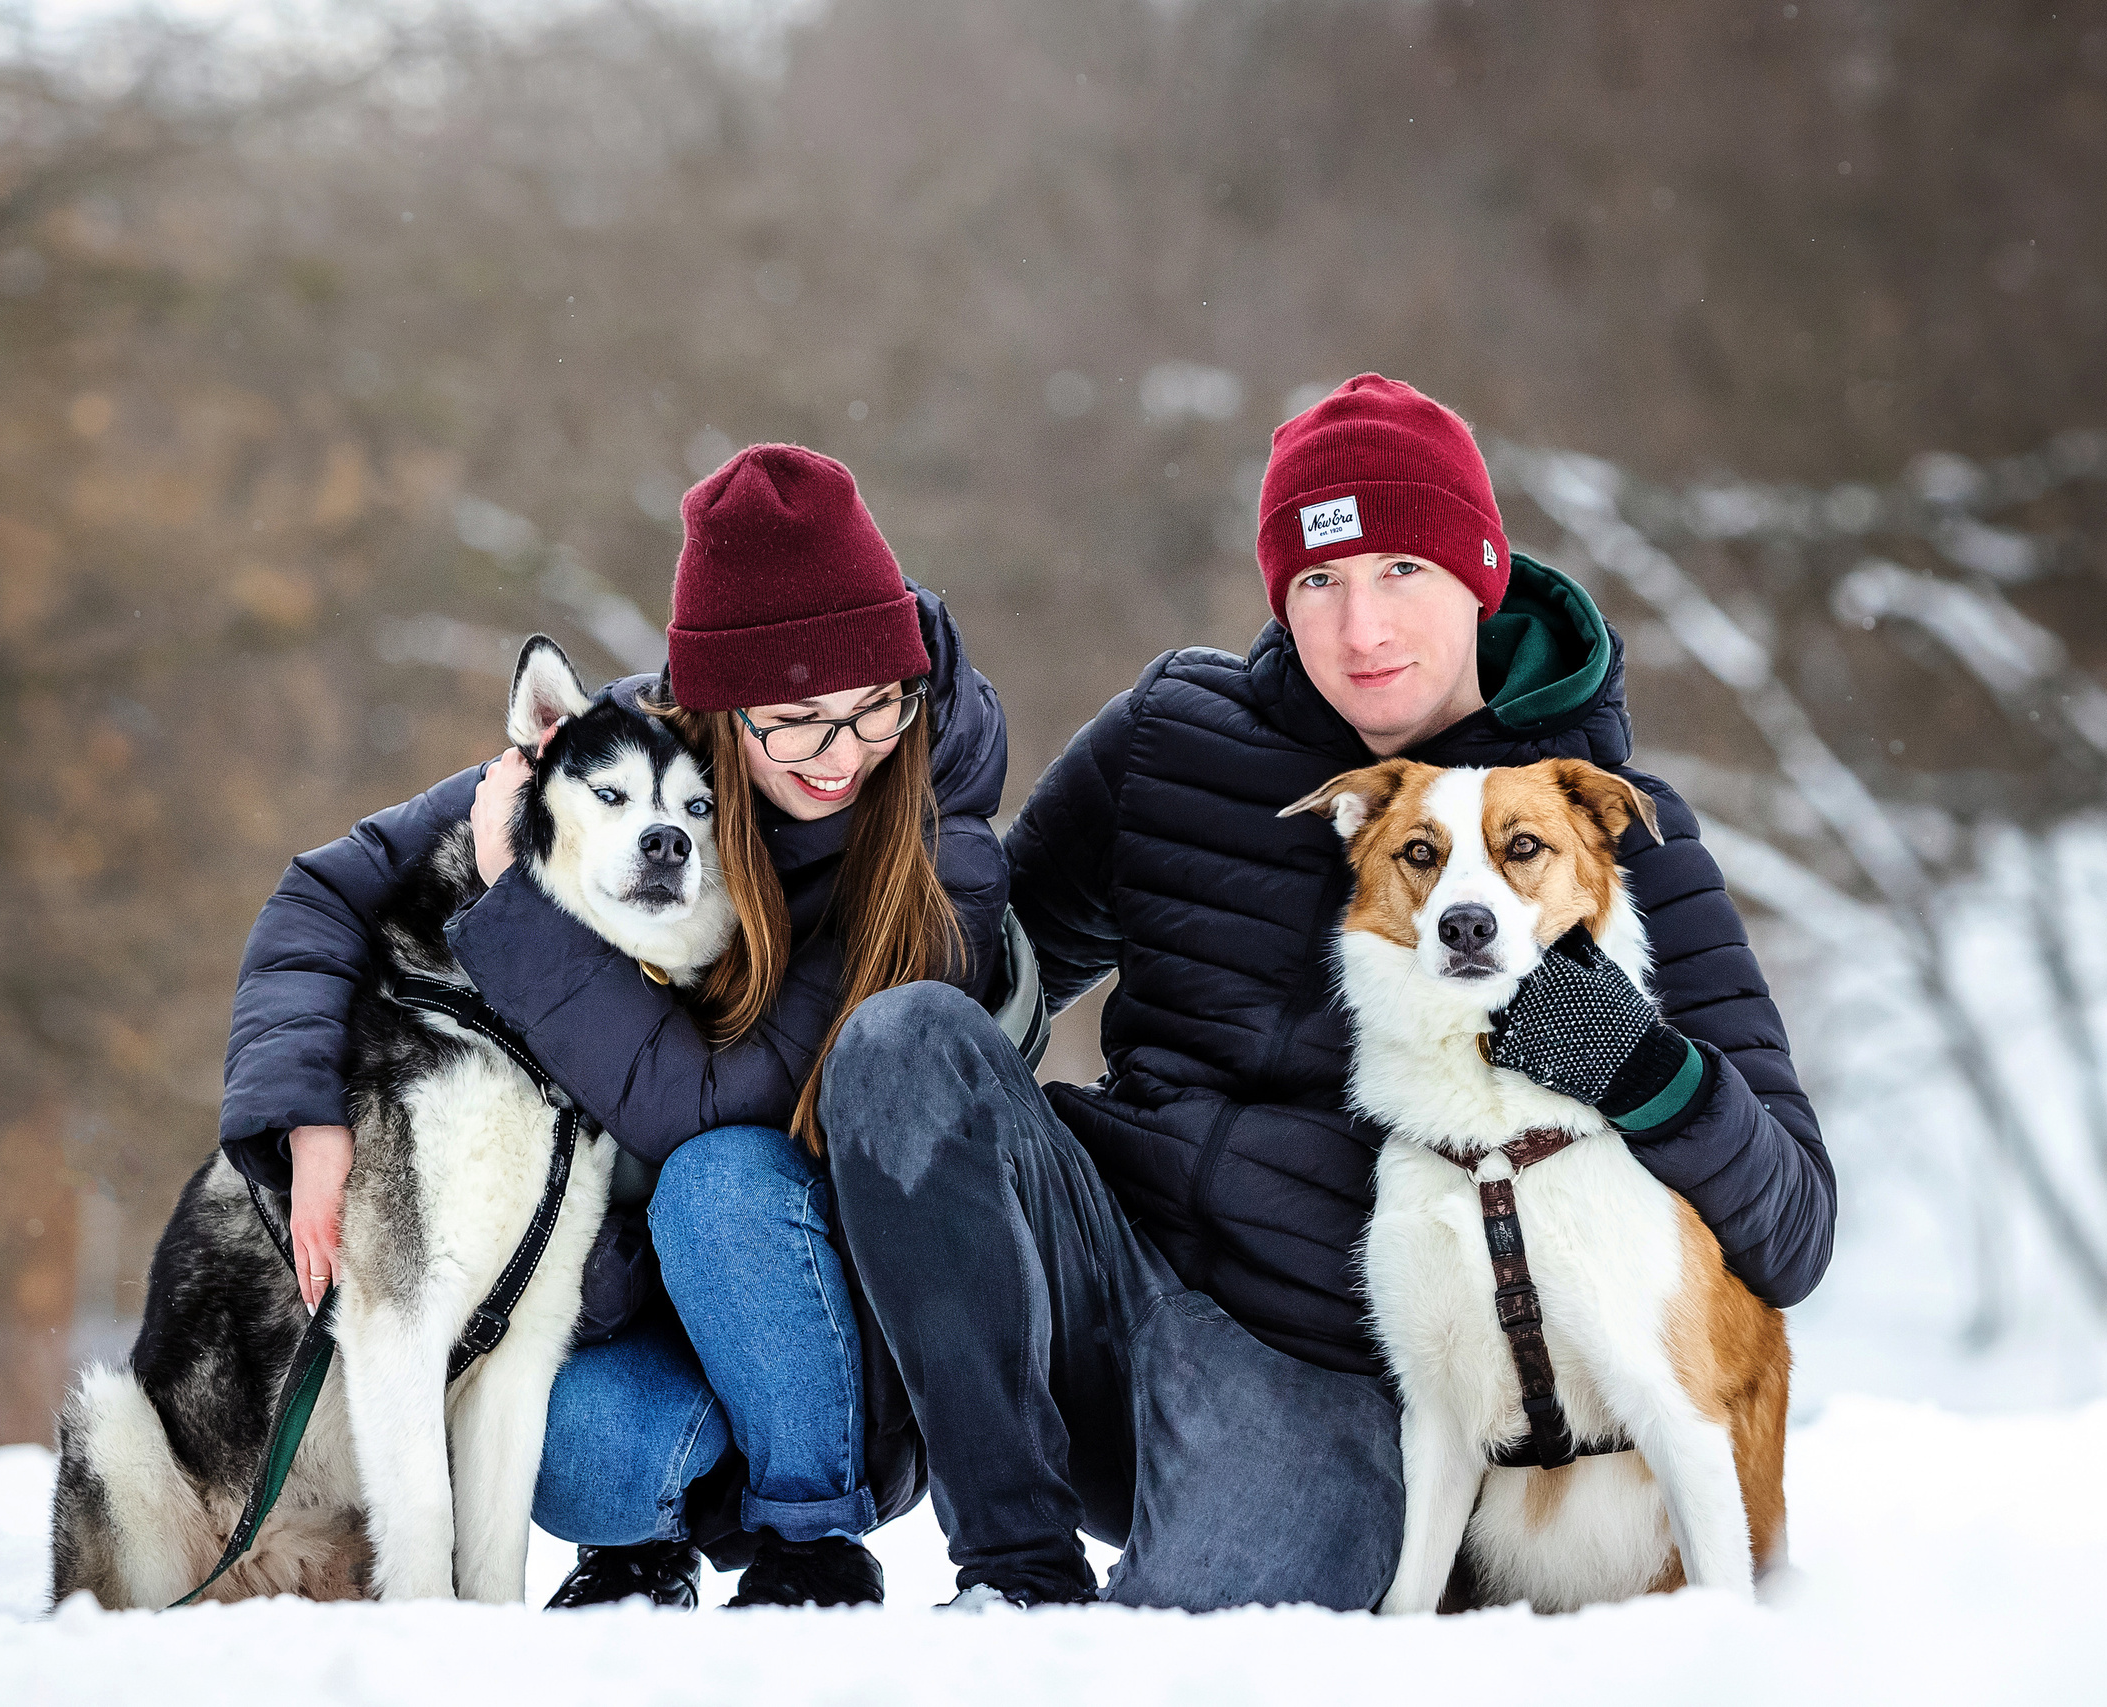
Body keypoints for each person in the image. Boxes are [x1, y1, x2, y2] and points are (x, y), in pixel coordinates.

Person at [819, 374, 1836, 1610]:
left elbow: (1792, 1227)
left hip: (1327, 1382)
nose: (1361, 631)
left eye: (1400, 570)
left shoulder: (1602, 832)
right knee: (901, 1038)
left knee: (1212, 1622)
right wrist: (905, 775)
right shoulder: (1173, 737)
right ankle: (1011, 1577)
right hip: (1104, 1269)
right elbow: (978, 982)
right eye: (1318, 582)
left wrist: (1638, 1066)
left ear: (1480, 574)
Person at [217, 444, 1013, 1608]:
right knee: (572, 1441)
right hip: (640, 1291)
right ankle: (639, 1543)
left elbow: (704, 1103)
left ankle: (810, 1536)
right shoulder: (626, 761)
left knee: (720, 1176)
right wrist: (304, 1118)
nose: (840, 755)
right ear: (713, 704)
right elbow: (328, 893)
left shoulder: (935, 837)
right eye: (793, 720)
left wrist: (510, 903)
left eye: (871, 708)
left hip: (825, 1310)